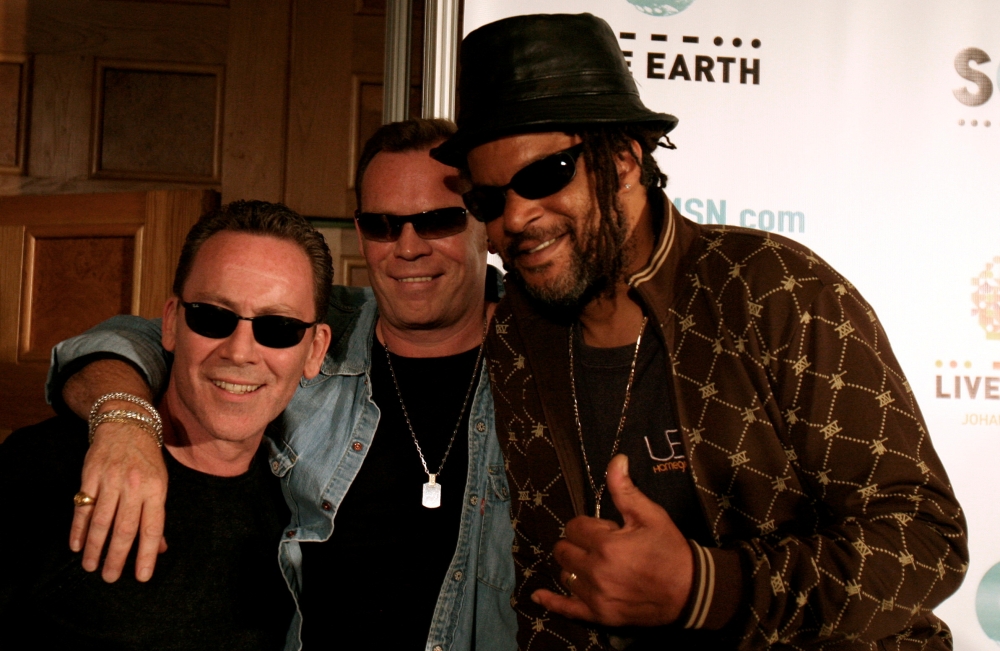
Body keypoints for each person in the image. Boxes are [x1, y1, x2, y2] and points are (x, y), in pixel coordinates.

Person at [428, 13, 969, 650]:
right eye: (488, 201)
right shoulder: (520, 332)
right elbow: (554, 582)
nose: (516, 216)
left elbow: (925, 544)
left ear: (624, 159)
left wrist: (705, 587)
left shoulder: (776, 290)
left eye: (546, 175)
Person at [42, 119, 516, 650]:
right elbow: (140, 340)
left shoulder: (543, 367)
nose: (407, 247)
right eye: (383, 224)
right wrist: (126, 422)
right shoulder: (302, 328)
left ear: (485, 222)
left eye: (437, 221)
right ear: (362, 231)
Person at [0, 200, 331, 648]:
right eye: (213, 317)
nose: (240, 351)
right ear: (172, 323)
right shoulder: (43, 468)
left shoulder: (306, 511)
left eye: (279, 327)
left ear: (314, 349)